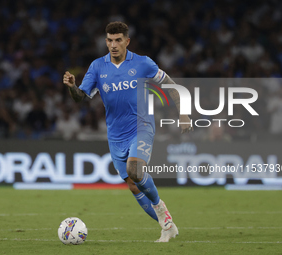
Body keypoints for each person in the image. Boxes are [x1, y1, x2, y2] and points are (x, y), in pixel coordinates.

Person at [63, 21, 193, 242]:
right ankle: (168, 225)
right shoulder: (97, 67)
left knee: (135, 169)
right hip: (115, 134)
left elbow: (170, 84)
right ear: (106, 41)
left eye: (118, 40)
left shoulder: (143, 63)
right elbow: (80, 97)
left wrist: (183, 113)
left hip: (141, 126)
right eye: (110, 40)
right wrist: (72, 87)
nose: (113, 45)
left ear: (127, 41)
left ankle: (161, 210)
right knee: (133, 185)